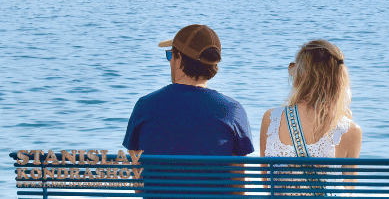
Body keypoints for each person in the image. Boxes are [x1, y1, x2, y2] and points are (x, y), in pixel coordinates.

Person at [123, 24, 254, 156]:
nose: (170, 61)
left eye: (171, 54)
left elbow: (136, 167)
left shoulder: (145, 106)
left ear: (179, 58)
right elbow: (239, 171)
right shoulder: (232, 111)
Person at [259, 40, 362, 192]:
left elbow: (266, 181)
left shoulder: (271, 119)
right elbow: (349, 189)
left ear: (300, 75)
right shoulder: (350, 130)